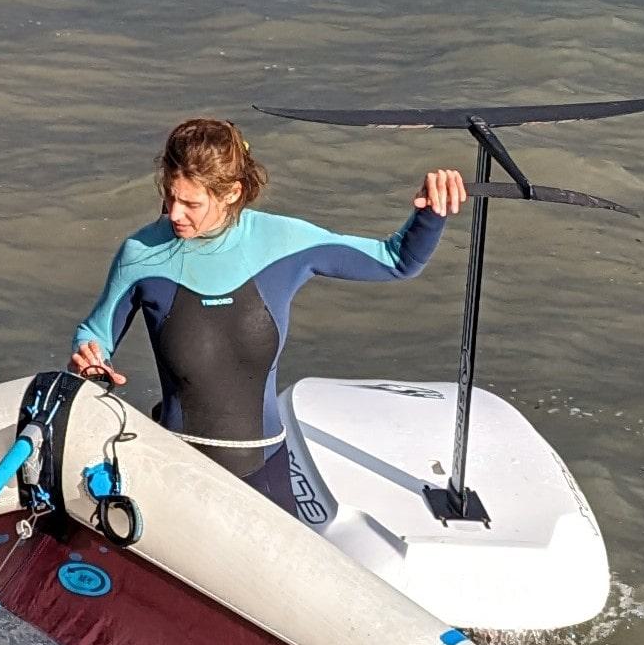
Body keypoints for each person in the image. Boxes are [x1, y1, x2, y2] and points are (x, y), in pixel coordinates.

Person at [70, 117, 466, 511]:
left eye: (191, 203)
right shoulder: (141, 254)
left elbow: (396, 261)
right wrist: (90, 360)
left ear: (231, 193)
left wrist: (432, 213)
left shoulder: (281, 242)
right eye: (171, 197)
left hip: (264, 472)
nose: (174, 213)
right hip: (177, 468)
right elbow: (96, 333)